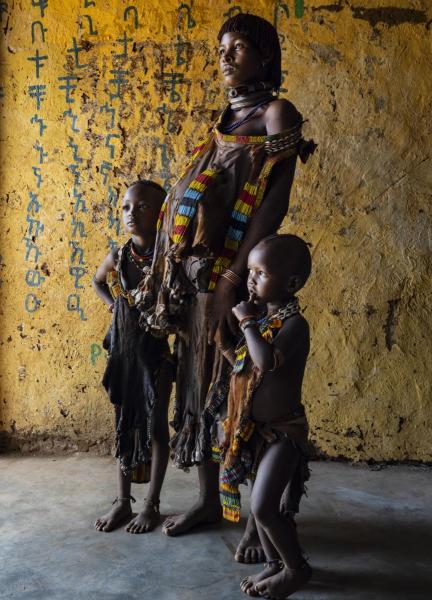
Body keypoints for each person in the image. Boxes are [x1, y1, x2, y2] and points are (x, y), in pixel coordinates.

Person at [139, 13, 315, 550]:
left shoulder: (276, 112)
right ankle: (211, 500)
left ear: (265, 56)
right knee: (200, 384)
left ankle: (258, 521)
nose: (226, 56)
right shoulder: (227, 115)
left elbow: (273, 200)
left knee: (245, 390)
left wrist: (236, 275)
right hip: (199, 273)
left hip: (238, 274)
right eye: (222, 48)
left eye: (239, 47)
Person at [219, 234, 312, 598]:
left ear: (290, 283)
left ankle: (296, 569)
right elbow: (246, 367)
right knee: (260, 508)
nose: (252, 279)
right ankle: (274, 564)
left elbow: (265, 362)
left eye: (261, 272)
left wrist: (245, 323)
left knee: (263, 506)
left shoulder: (294, 326)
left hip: (285, 433)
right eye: (250, 272)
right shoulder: (266, 320)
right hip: (259, 432)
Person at [93, 180, 173, 534]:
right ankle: (122, 501)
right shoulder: (118, 256)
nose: (131, 214)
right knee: (124, 422)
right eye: (126, 206)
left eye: (142, 207)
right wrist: (115, 308)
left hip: (156, 354)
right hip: (124, 352)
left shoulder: (170, 257)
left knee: (155, 427)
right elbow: (98, 281)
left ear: (161, 213)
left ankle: (152, 504)